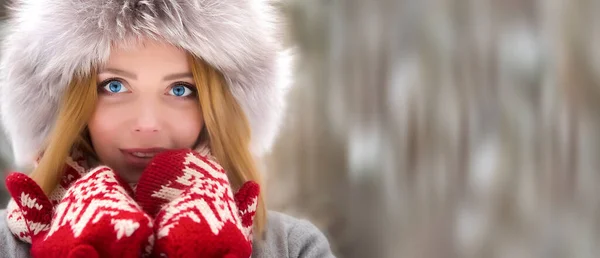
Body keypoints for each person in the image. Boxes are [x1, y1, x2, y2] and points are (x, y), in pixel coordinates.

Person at [0, 0, 335, 257]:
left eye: (180, 90)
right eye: (114, 86)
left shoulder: (293, 247)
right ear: (71, 104)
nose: (148, 124)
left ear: (216, 108)